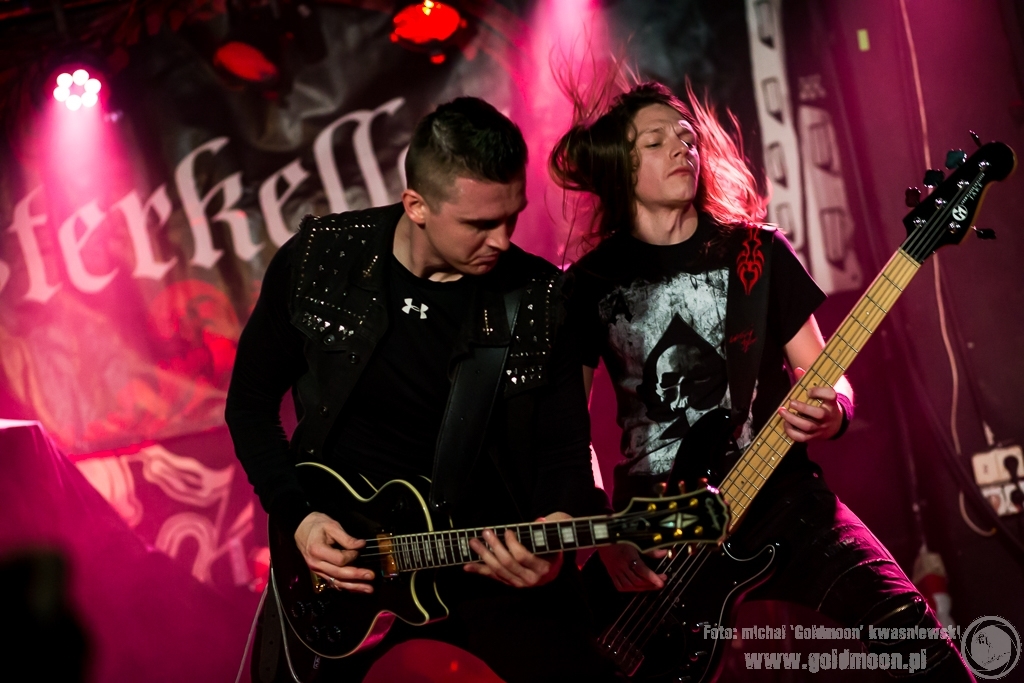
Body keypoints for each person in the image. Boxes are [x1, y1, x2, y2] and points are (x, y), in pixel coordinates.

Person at [551, 81, 975, 680]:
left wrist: (833, 412)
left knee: (917, 641)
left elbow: (828, 374)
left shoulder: (757, 251)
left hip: (781, 494)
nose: (681, 149)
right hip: (659, 525)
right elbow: (566, 432)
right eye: (655, 141)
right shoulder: (589, 285)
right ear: (620, 167)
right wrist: (606, 531)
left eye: (686, 137)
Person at [226, 97, 615, 682]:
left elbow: (564, 447)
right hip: (349, 564)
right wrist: (299, 518)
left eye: (511, 217)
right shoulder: (321, 259)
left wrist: (554, 542)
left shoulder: (539, 297)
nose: (501, 240)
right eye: (479, 224)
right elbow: (250, 406)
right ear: (417, 206)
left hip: (485, 558)